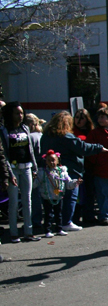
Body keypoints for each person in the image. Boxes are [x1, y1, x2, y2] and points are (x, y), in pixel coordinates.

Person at [41, 111, 108, 231]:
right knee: (70, 196)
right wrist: (99, 148)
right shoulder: (66, 136)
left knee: (55, 198)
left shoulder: (46, 136)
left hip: (51, 171)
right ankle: (66, 222)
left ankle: (57, 223)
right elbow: (82, 147)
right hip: (69, 170)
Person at [1, 102, 39, 242]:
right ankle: (13, 233)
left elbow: (30, 150)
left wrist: (34, 167)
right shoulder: (4, 130)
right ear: (10, 114)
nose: (20, 115)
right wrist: (10, 174)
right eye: (17, 113)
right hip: (13, 169)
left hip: (27, 167)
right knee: (13, 203)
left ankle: (28, 232)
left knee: (27, 200)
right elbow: (4, 154)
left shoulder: (25, 128)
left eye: (22, 113)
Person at [38, 149, 81, 237]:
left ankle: (59, 229)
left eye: (53, 160)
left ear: (57, 160)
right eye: (49, 160)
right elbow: (36, 183)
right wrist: (34, 180)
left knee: (59, 214)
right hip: (47, 196)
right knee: (48, 214)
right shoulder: (43, 172)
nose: (52, 162)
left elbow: (68, 183)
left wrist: (75, 182)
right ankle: (47, 230)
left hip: (58, 196)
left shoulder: (62, 171)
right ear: (46, 161)